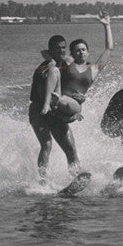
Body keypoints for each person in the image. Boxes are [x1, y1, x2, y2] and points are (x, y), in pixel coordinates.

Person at [44, 12, 115, 120]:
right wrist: (55, 60)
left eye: (83, 50)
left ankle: (55, 101)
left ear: (88, 52)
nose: (81, 52)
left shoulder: (94, 69)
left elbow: (109, 49)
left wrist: (107, 25)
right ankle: (52, 101)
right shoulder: (67, 62)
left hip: (74, 106)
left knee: (66, 101)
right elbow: (45, 53)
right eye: (77, 50)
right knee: (54, 71)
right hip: (58, 97)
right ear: (72, 54)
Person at [29, 34, 80, 183]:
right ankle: (42, 180)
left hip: (55, 111)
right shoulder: (44, 70)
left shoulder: (61, 64)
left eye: (63, 47)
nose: (61, 50)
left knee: (70, 149)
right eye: (57, 48)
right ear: (50, 50)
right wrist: (64, 113)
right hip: (39, 111)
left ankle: (76, 178)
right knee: (47, 144)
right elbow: (43, 95)